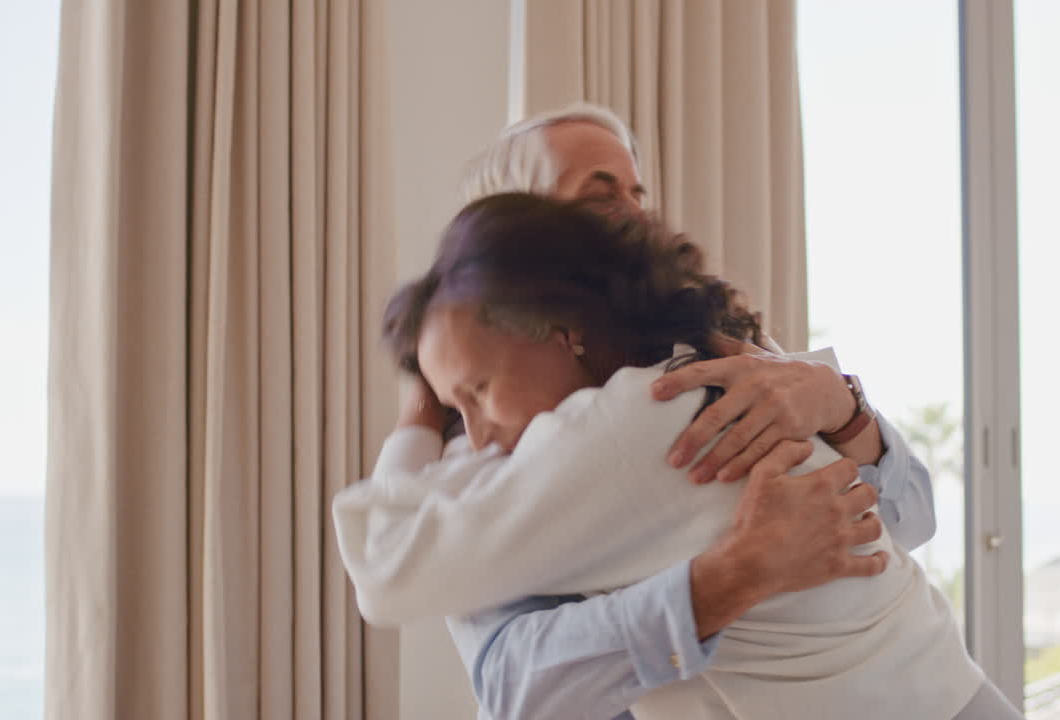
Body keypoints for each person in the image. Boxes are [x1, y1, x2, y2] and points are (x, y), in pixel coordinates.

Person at [333, 193, 1023, 719]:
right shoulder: (691, 373)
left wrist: (420, 412)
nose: (479, 436)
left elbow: (384, 566)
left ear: (561, 327)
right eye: (460, 408)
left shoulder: (628, 429)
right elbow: (513, 672)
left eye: (480, 390)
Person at [428, 104, 939, 720]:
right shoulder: (488, 439)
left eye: (636, 192)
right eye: (600, 195)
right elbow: (514, 687)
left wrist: (843, 409)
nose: (636, 213)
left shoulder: (719, 353)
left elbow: (907, 521)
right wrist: (730, 578)